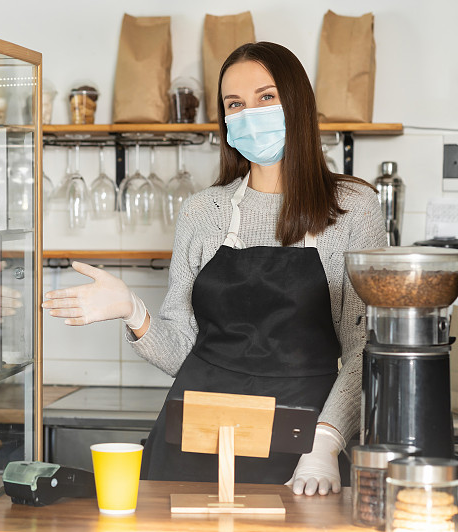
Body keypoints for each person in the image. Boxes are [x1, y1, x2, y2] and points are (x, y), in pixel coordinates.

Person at [42, 41, 386, 496]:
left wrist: (325, 443)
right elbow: (185, 350)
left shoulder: (352, 208)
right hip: (192, 443)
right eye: (234, 104)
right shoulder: (204, 211)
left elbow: (366, 349)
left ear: (298, 104)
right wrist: (133, 312)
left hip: (301, 447)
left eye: (266, 97)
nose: (250, 114)